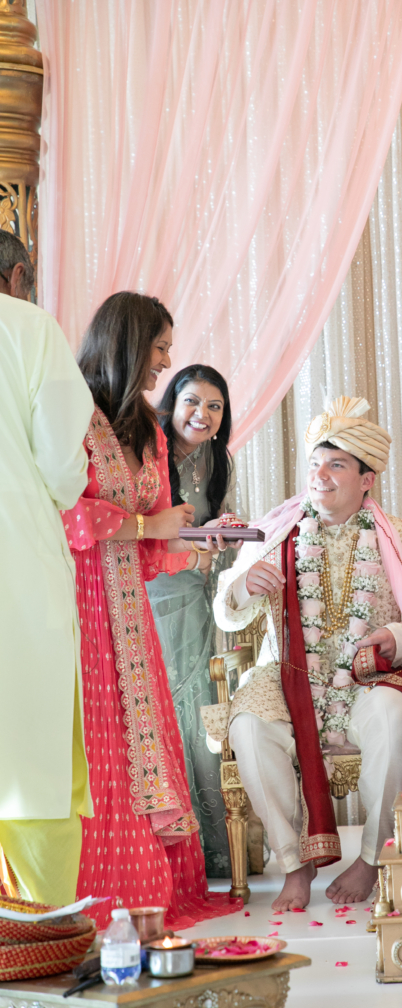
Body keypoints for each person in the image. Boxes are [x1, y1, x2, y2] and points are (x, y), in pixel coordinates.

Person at [211, 396, 402, 910]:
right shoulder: (273, 532)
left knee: (392, 719)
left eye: (336, 465)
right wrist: (244, 586)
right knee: (248, 727)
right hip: (285, 676)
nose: (319, 475)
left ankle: (371, 860)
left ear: (367, 479)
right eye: (315, 463)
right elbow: (225, 613)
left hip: (367, 678)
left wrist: (396, 637)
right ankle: (292, 864)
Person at [61, 291, 240, 928]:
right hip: (81, 602)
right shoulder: (70, 411)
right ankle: (96, 891)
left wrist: (197, 544)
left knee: (139, 740)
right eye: (160, 348)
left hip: (131, 610)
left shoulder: (146, 428)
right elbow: (65, 512)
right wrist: (148, 526)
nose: (166, 361)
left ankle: (145, 886)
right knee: (100, 740)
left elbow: (158, 536)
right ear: (130, 345)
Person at [0, 230, 94, 905]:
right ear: (17, 276)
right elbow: (64, 471)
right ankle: (45, 935)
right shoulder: (31, 328)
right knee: (34, 762)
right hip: (19, 569)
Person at [147, 365, 236, 878]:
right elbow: (146, 538)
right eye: (193, 402)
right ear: (171, 405)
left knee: (202, 710)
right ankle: (171, 853)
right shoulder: (148, 454)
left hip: (198, 599)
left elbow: (219, 534)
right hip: (154, 598)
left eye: (214, 406)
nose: (202, 414)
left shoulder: (217, 460)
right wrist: (199, 551)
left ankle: (214, 852)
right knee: (165, 711)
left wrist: (221, 537)